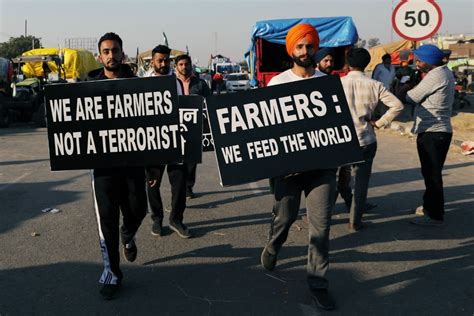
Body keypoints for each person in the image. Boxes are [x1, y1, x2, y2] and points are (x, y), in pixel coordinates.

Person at [260, 23, 336, 310]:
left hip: (323, 170)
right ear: (291, 49)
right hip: (288, 170)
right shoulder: (277, 84)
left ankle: (318, 283)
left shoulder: (328, 83)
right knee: (285, 217)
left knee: (320, 228)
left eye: (310, 45)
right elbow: (267, 128)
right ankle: (273, 245)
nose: (305, 51)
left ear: (316, 48)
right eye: (300, 46)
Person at [87, 32, 148, 300]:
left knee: (137, 210)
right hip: (103, 169)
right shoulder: (86, 87)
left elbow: (153, 127)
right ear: (100, 55)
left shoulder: (138, 85)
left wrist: (154, 167)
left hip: (133, 164)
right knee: (107, 222)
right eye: (106, 51)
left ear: (123, 54)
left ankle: (128, 234)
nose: (111, 55)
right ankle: (112, 274)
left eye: (115, 50)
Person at [341, 48, 403, 231]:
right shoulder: (375, 85)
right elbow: (397, 106)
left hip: (341, 140)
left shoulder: (336, 84)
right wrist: (379, 123)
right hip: (366, 139)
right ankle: (355, 221)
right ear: (367, 64)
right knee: (361, 183)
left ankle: (321, 218)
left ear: (347, 63)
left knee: (337, 181)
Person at [145, 45, 192, 239]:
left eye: (166, 60)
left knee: (180, 184)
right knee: (153, 183)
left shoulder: (177, 83)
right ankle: (157, 219)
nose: (163, 64)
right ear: (152, 62)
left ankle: (176, 219)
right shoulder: (143, 83)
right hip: (152, 143)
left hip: (175, 141)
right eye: (159, 60)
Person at [406, 44, 455, 227]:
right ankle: (429, 207)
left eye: (419, 60)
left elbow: (412, 97)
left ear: (427, 60)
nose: (417, 63)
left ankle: (434, 215)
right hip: (439, 130)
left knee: (432, 174)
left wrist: (405, 89)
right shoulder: (444, 72)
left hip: (433, 131)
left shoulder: (436, 75)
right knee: (430, 172)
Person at [175, 54, 211, 199]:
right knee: (177, 162)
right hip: (176, 128)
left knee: (192, 161)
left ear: (191, 65)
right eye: (181, 64)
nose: (184, 67)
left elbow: (209, 102)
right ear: (176, 67)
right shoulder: (171, 83)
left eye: (186, 64)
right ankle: (178, 189)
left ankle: (188, 187)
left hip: (195, 128)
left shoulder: (200, 84)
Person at [372, 53, 396, 118]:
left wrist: (392, 86)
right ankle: (377, 116)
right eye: (387, 59)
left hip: (389, 87)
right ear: (383, 60)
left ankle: (386, 115)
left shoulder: (392, 67)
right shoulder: (379, 67)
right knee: (379, 103)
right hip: (379, 87)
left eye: (389, 59)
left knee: (387, 102)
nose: (389, 61)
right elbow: (374, 77)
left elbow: (393, 77)